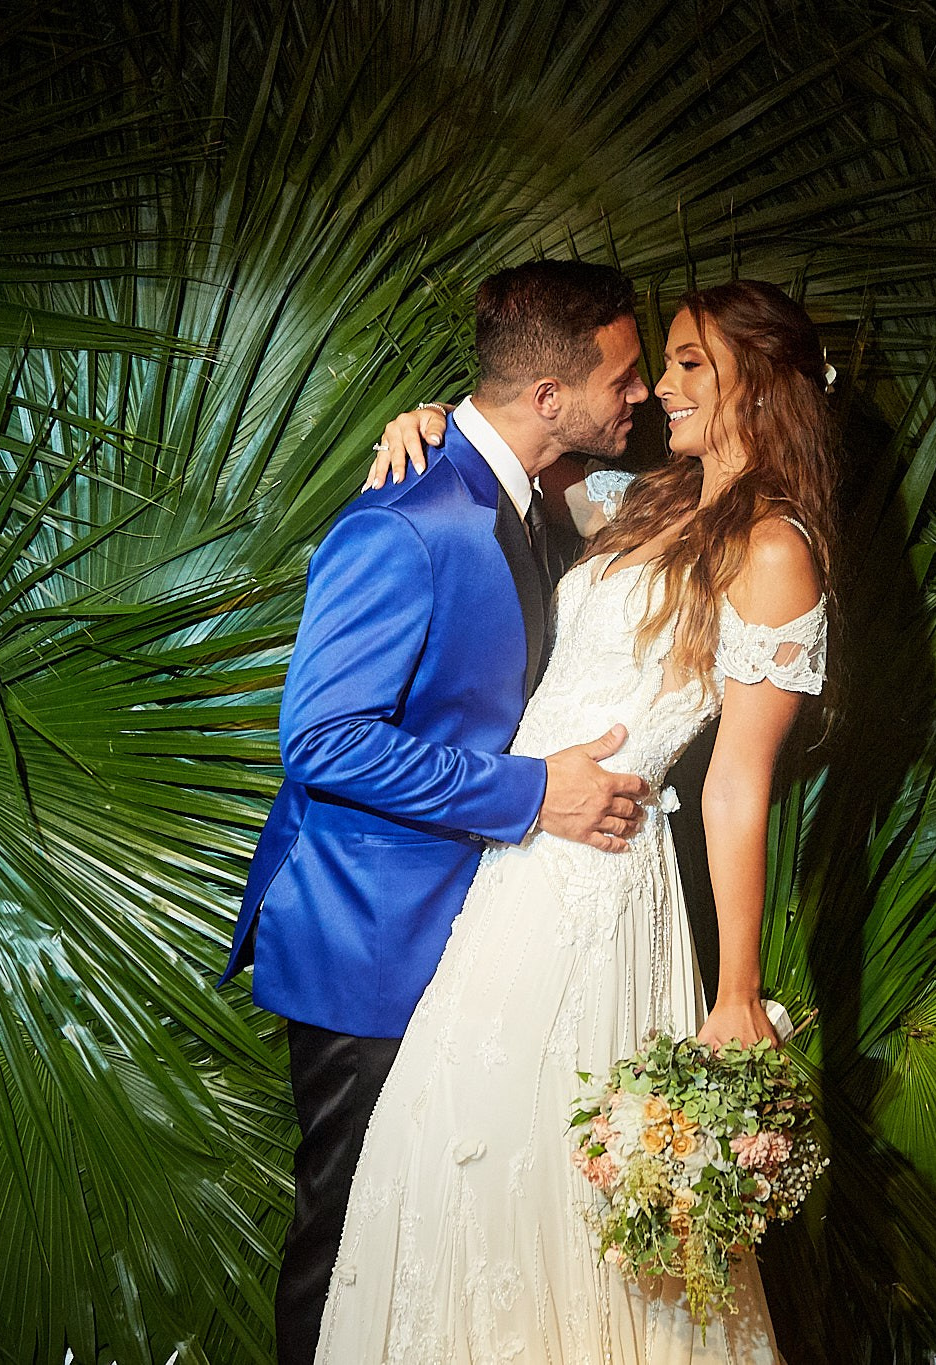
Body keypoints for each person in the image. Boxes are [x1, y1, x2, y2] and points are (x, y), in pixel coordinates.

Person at [316, 279, 834, 1363]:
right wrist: (422, 421)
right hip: (508, 877)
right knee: (456, 1160)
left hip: (602, 876)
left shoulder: (773, 549)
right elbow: (495, 467)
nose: (658, 393)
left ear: (763, 384)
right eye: (656, 367)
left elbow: (739, 783)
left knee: (567, 1194)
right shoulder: (632, 500)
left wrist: (736, 994)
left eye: (690, 365)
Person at [219, 260, 659, 1365]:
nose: (642, 394)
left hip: (474, 936)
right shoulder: (409, 519)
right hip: (370, 938)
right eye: (626, 373)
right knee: (351, 1244)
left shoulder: (531, 492)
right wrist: (531, 793)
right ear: (550, 396)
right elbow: (321, 741)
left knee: (432, 1245)